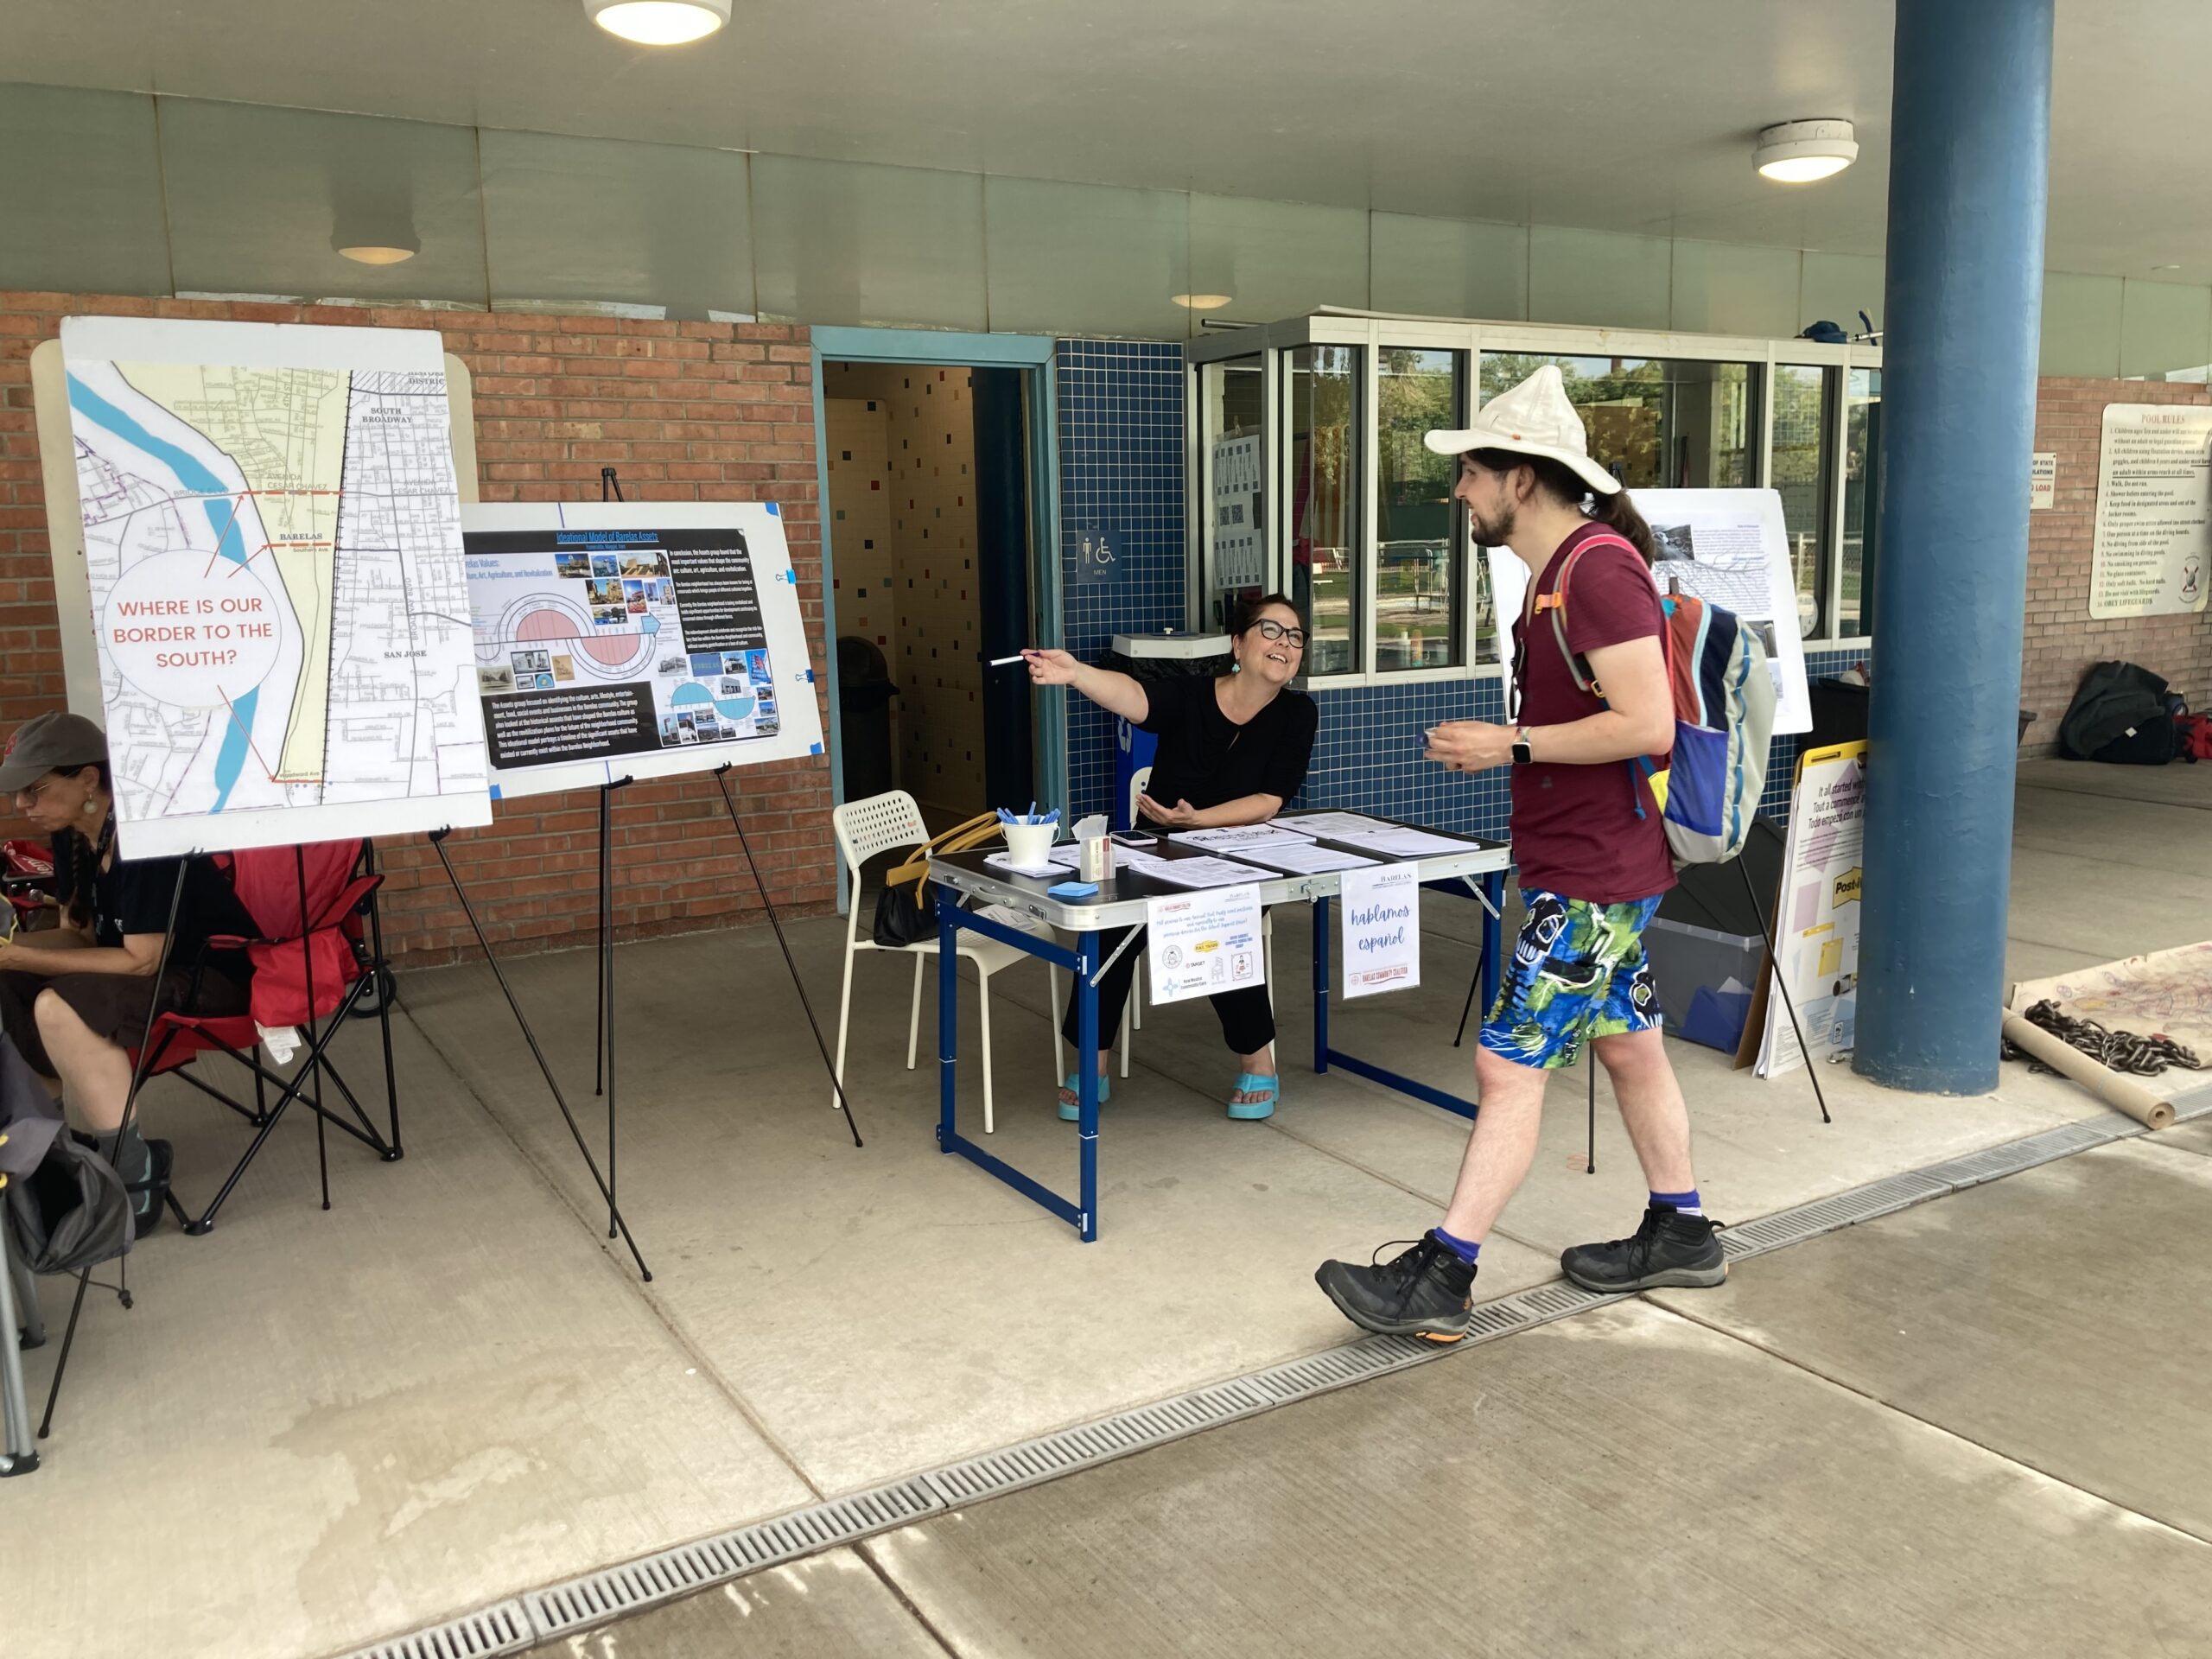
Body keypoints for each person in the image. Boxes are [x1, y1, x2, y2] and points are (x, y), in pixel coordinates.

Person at [1315, 364, 1723, 1341]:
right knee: (1629, 1048)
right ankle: (1682, 1229)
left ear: (1522, 480)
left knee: (1507, 1068)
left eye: (1470, 473)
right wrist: (1512, 748)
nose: (1458, 491)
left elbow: (1647, 725)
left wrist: (1512, 743)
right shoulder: (1558, 575)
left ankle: (1442, 1275)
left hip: (1592, 872)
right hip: (1588, 861)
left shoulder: (1597, 571)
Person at [1023, 594, 1318, 1121]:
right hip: (1157, 847)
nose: (1284, 644)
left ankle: (1260, 1062)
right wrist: (1076, 674)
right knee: (1108, 930)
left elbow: (1270, 801)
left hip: (1239, 854)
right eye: (1272, 631)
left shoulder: (1298, 713)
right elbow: (1135, 697)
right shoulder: (1192, 695)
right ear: (1238, 642)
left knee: (1223, 921)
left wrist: (1198, 820)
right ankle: (1093, 1065)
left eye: (1295, 637)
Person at [0, 712, 255, 1210]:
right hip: (149, 971)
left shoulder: (144, 835)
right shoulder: (73, 832)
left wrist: (16, 957)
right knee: (10, 985)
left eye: (34, 789)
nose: (21, 805)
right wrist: (8, 958)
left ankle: (132, 1176)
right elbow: (80, 939)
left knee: (58, 1004)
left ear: (88, 779)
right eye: (15, 794)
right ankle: (54, 1154)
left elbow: (142, 962)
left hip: (213, 974)